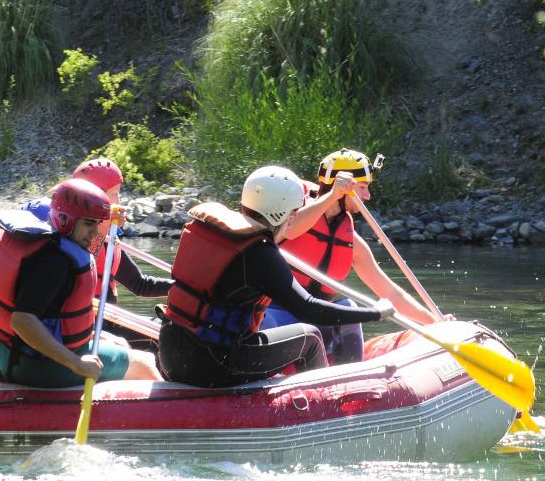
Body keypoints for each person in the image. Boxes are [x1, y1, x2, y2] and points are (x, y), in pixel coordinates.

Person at [158, 166, 394, 388]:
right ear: (282, 212)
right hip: (216, 363)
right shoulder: (260, 252)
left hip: (170, 353)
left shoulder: (211, 231)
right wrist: (376, 312)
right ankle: (326, 405)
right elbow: (309, 309)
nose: (294, 218)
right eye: (294, 211)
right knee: (309, 337)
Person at [265, 149, 436, 363]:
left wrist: (434, 322)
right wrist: (332, 196)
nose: (367, 196)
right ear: (342, 186)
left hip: (317, 322)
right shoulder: (289, 216)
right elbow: (290, 230)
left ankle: (346, 385)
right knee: (268, 322)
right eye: (363, 187)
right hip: (277, 317)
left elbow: (390, 292)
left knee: (348, 308)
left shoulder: (351, 241)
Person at [0, 178, 159, 388]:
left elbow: (92, 252)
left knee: (118, 342)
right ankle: (176, 420)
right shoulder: (53, 263)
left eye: (97, 223)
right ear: (64, 219)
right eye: (88, 223)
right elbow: (22, 321)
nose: (95, 231)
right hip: (38, 366)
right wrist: (77, 364)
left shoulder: (51, 246)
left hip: (15, 355)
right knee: (144, 362)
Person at [71, 158, 173, 305]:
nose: (118, 201)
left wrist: (180, 289)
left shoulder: (108, 240)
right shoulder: (72, 239)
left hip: (108, 320)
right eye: (115, 194)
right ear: (96, 197)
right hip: (90, 322)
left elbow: (139, 284)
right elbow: (87, 265)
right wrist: (104, 224)